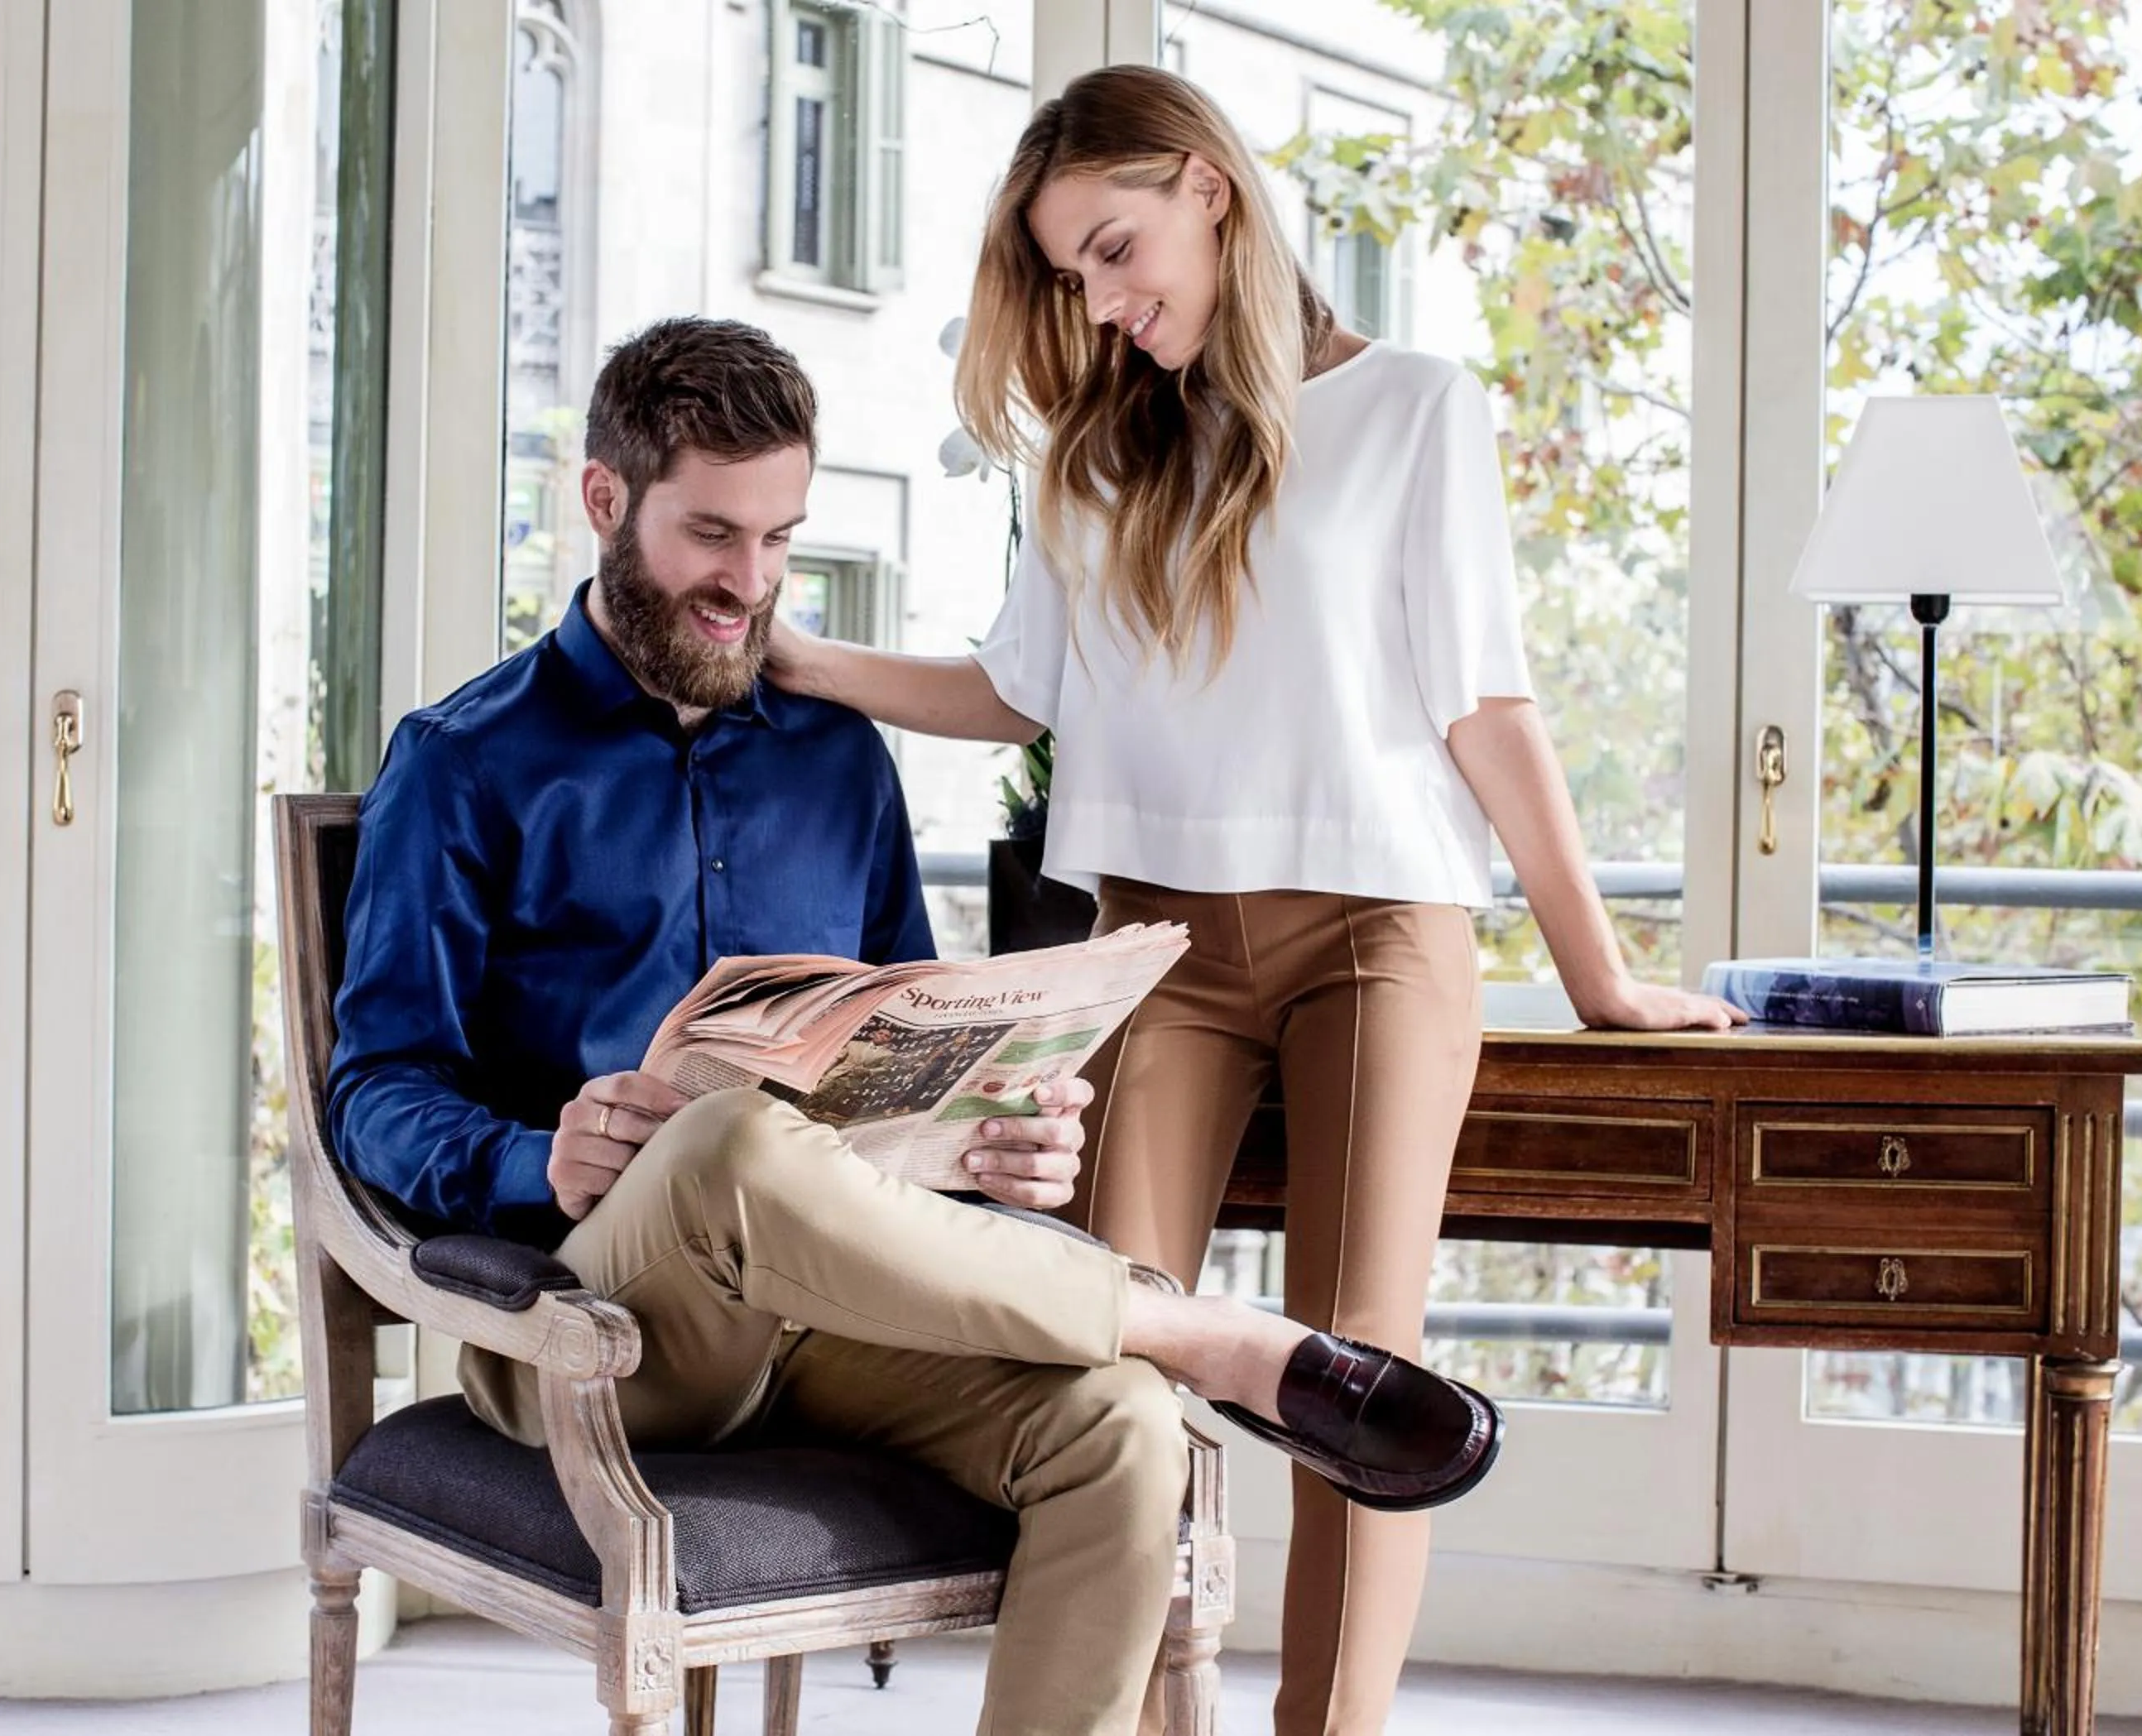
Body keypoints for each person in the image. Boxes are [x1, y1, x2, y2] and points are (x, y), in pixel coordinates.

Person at [324, 315, 1501, 1736]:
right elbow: (375, 1093)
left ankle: (1165, 1355)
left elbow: (906, 1032)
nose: (749, 585)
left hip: (833, 1312)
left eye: (780, 539)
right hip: (601, 1321)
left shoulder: (836, 755)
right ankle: (1207, 1335)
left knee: (1120, 1432)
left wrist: (995, 1133)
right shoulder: (464, 764)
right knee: (720, 1144)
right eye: (711, 534)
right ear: (603, 500)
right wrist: (539, 1156)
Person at [762, 66, 1747, 1735]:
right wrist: (788, 654)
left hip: (1378, 933)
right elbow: (1018, 689)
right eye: (1075, 270)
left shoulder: (1418, 407)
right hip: (1153, 947)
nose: (1105, 296)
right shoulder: (1090, 457)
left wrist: (1601, 978)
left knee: (1361, 1360)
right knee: (1118, 1337)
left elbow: (1486, 709)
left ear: (1212, 186)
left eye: (1118, 245)